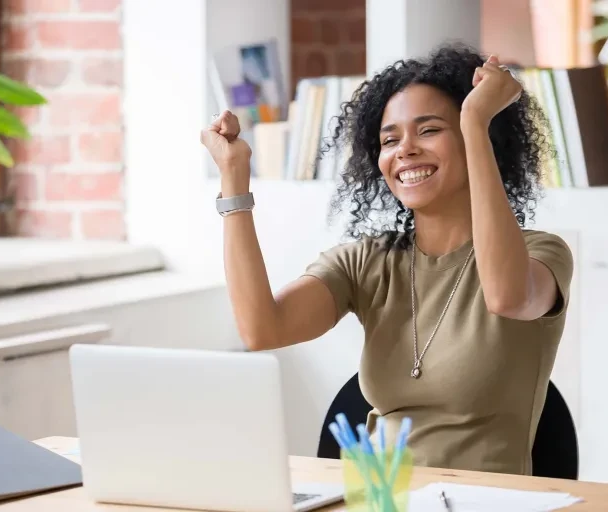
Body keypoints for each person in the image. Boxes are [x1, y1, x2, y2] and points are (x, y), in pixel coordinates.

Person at [200, 44, 573, 476]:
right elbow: (261, 329)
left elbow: (507, 297)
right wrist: (233, 179)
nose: (405, 150)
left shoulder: (541, 253)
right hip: (380, 498)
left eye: (429, 130)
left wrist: (474, 121)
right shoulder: (368, 261)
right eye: (389, 139)